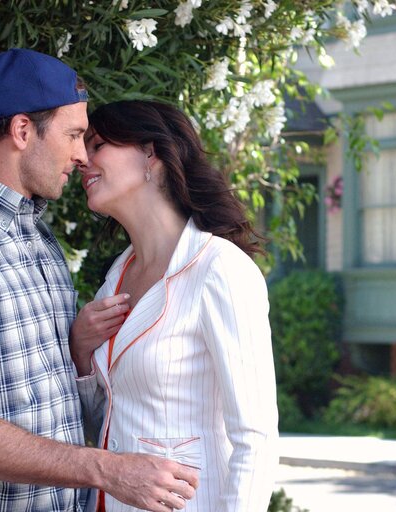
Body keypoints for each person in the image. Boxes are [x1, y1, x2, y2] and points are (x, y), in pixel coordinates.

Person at [0, 49, 197, 512]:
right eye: (73, 135)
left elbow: (47, 401)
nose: (82, 155)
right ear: (22, 130)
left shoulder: (37, 238)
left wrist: (80, 352)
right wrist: (106, 468)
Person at [70, 100, 279, 512]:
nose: (81, 159)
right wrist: (80, 353)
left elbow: (256, 438)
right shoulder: (117, 274)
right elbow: (106, 421)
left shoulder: (220, 268)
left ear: (151, 154)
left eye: (97, 145)